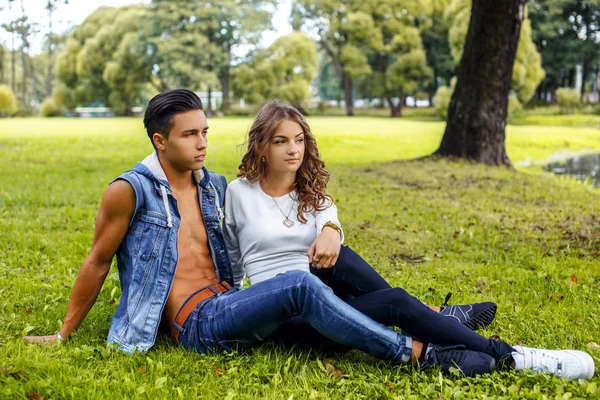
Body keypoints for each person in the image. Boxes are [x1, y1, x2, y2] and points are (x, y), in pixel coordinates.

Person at [24, 89, 498, 377]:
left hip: (230, 302)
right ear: (159, 140)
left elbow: (287, 203)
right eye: (190, 135)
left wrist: (330, 223)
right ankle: (418, 354)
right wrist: (64, 333)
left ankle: (432, 320)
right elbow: (97, 261)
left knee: (317, 275)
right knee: (299, 284)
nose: (203, 143)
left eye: (205, 131)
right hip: (196, 324)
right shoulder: (129, 191)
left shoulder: (213, 187)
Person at [222, 99, 596, 380]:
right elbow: (234, 262)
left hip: (330, 298)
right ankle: (504, 354)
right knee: (395, 301)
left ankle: (447, 327)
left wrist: (330, 231)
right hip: (290, 318)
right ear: (262, 146)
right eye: (281, 141)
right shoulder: (239, 193)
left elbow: (328, 214)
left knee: (345, 258)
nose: (293, 150)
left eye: (299, 140)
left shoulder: (310, 191)